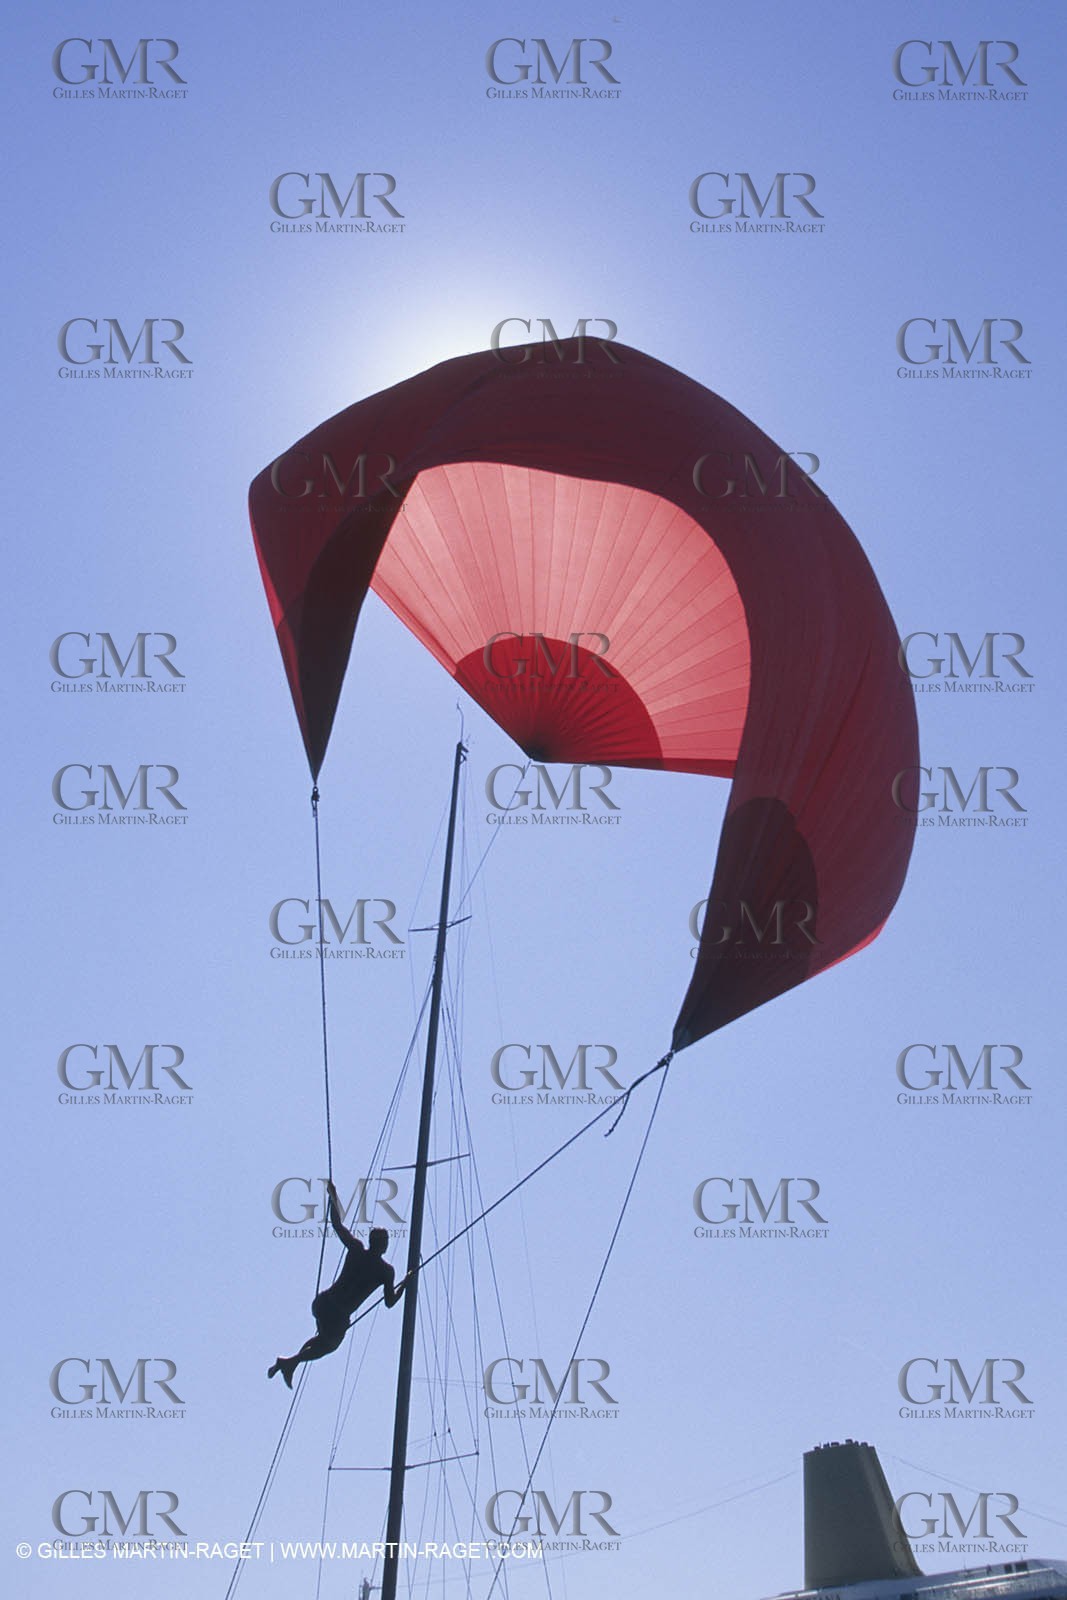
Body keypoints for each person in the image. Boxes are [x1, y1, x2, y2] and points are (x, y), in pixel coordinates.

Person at [268, 1179, 405, 1388]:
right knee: (329, 1344)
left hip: (322, 1303)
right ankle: (290, 1362)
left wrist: (333, 1198)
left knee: (322, 1340)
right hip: (338, 1314)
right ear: (382, 1245)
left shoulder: (356, 1249)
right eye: (385, 1241)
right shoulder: (385, 1271)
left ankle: (290, 1363)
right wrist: (406, 1283)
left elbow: (337, 1225)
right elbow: (389, 1302)